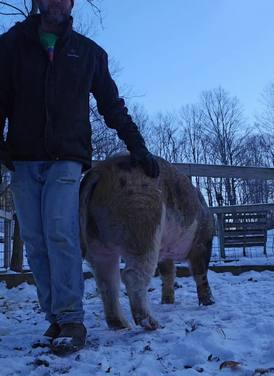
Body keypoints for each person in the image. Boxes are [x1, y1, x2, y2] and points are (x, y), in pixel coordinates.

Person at [0, 0, 159, 356]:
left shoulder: (87, 53)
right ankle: (55, 317)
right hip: (23, 159)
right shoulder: (10, 46)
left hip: (67, 159)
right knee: (35, 240)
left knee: (59, 231)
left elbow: (112, 106)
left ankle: (73, 320)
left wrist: (138, 146)